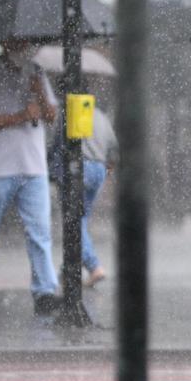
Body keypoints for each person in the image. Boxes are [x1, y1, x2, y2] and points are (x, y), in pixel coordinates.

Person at [0, 40, 61, 316]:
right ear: (5, 43)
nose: (25, 47)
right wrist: (17, 117)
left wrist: (39, 90)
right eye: (20, 42)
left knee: (40, 231)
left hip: (34, 167)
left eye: (28, 42)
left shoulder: (37, 73)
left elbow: (51, 115)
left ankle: (44, 292)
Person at [78, 105, 118, 288]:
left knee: (76, 220)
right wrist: (107, 171)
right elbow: (113, 149)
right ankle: (67, 268)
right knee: (81, 217)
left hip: (80, 167)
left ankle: (93, 266)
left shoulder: (74, 110)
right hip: (99, 169)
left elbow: (60, 144)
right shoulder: (101, 116)